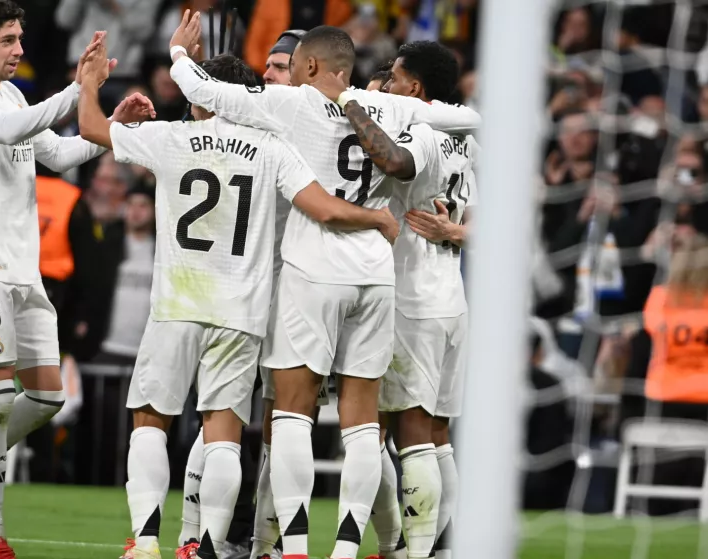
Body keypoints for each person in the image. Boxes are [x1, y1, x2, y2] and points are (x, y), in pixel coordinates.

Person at [77, 27, 398, 559]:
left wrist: (89, 84)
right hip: (241, 310)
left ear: (203, 97)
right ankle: (206, 545)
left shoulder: (171, 138)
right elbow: (324, 207)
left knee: (151, 421)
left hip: (177, 303)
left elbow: (90, 129)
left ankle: (148, 541)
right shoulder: (273, 146)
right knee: (223, 433)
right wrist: (377, 218)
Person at [168, 14, 480, 559]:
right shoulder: (390, 106)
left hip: (313, 273)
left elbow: (200, 90)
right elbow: (469, 117)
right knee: (363, 424)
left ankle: (290, 548)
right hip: (378, 278)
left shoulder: (293, 102)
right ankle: (350, 550)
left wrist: (177, 55)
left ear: (309, 66)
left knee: (291, 413)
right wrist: (369, 104)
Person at [0, 2, 154, 558]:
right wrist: (77, 87)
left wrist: (114, 127)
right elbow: (13, 129)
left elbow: (60, 155)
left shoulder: (13, 96)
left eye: (20, 39)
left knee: (44, 397)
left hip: (22, 269)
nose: (19, 49)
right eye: (9, 40)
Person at [326, 41, 476, 559]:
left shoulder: (427, 132)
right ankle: (439, 549)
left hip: (412, 297)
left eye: (392, 78)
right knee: (436, 435)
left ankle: (414, 551)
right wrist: (458, 231)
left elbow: (393, 160)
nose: (385, 85)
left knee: (406, 432)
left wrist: (352, 104)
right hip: (451, 298)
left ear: (414, 87)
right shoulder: (467, 140)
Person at [175, 28, 312, 559]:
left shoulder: (307, 129)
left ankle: (263, 543)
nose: (270, 75)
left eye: (282, 66)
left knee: (282, 426)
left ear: (309, 70)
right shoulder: (254, 132)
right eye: (270, 66)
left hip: (293, 296)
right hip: (241, 292)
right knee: (222, 418)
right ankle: (200, 538)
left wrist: (183, 59)